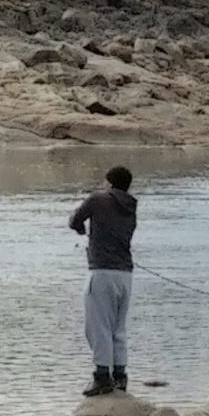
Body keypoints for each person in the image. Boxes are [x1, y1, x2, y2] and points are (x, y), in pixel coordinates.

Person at [69, 166, 137, 396]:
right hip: (125, 274)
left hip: (101, 272)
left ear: (109, 183)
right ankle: (120, 376)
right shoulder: (131, 206)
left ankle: (101, 377)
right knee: (118, 327)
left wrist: (81, 229)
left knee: (98, 326)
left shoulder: (98, 199)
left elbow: (75, 220)